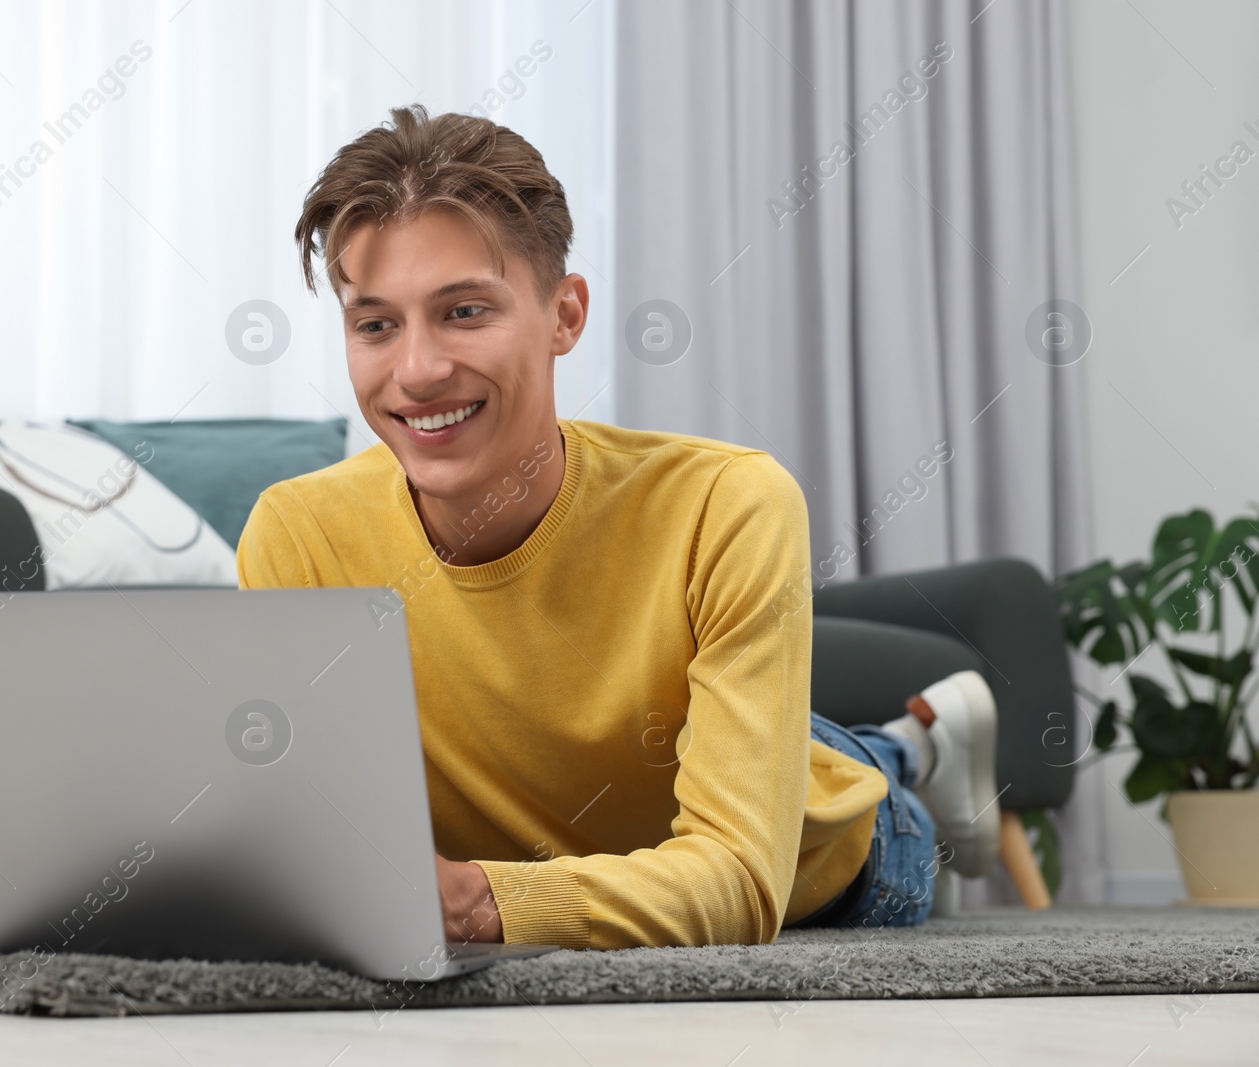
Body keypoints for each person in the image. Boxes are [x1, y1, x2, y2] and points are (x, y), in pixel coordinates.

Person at [236, 104, 1000, 950]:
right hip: (629, 765)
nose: (416, 371)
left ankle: (905, 755)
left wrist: (476, 904)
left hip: (830, 856)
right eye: (376, 324)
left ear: (565, 314)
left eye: (463, 312)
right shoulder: (296, 534)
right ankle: (910, 735)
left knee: (843, 778)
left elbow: (741, 881)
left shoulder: (729, 503)